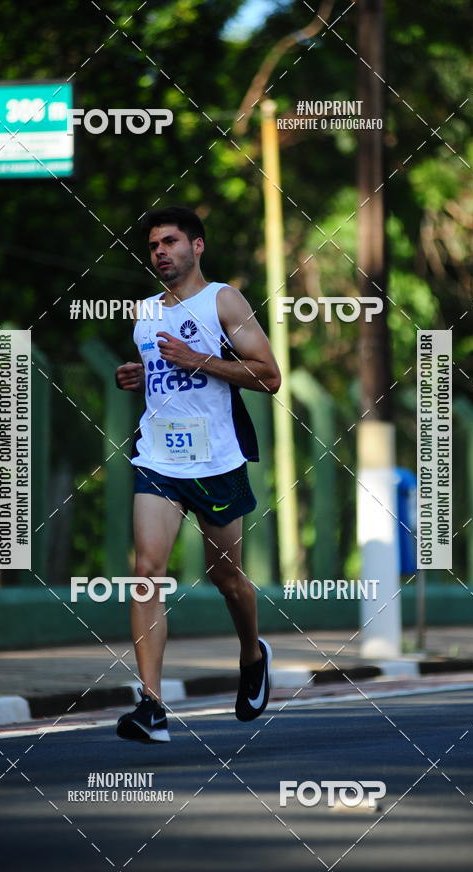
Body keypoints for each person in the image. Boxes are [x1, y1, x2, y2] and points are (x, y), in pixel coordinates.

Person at [114, 205, 281, 743]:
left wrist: (196, 360)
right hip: (158, 460)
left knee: (225, 577)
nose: (160, 251)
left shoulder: (222, 300)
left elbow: (268, 376)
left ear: (197, 246)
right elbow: (166, 379)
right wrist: (139, 376)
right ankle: (152, 706)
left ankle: (253, 655)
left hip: (216, 461)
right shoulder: (144, 313)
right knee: (146, 572)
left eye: (170, 241)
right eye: (154, 245)